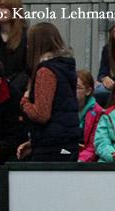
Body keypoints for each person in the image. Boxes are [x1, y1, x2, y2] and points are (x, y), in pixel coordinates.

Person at [19, 22, 81, 161]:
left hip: (52, 147)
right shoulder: (65, 67)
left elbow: (41, 114)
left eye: (29, 43)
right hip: (65, 143)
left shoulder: (45, 71)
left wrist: (24, 102)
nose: (27, 47)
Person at [76, 70, 106, 163]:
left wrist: (79, 160)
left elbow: (93, 147)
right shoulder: (64, 109)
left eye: (77, 87)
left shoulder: (98, 112)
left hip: (87, 162)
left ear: (88, 91)